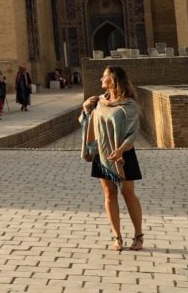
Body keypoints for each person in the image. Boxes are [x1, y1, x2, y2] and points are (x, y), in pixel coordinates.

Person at [80, 65, 144, 252]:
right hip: (103, 153)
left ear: (113, 80)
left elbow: (133, 132)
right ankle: (117, 237)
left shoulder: (128, 104)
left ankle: (138, 236)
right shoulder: (99, 102)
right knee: (109, 194)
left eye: (104, 76)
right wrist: (85, 110)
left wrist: (121, 149)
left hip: (123, 153)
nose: (101, 79)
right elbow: (90, 124)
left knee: (128, 194)